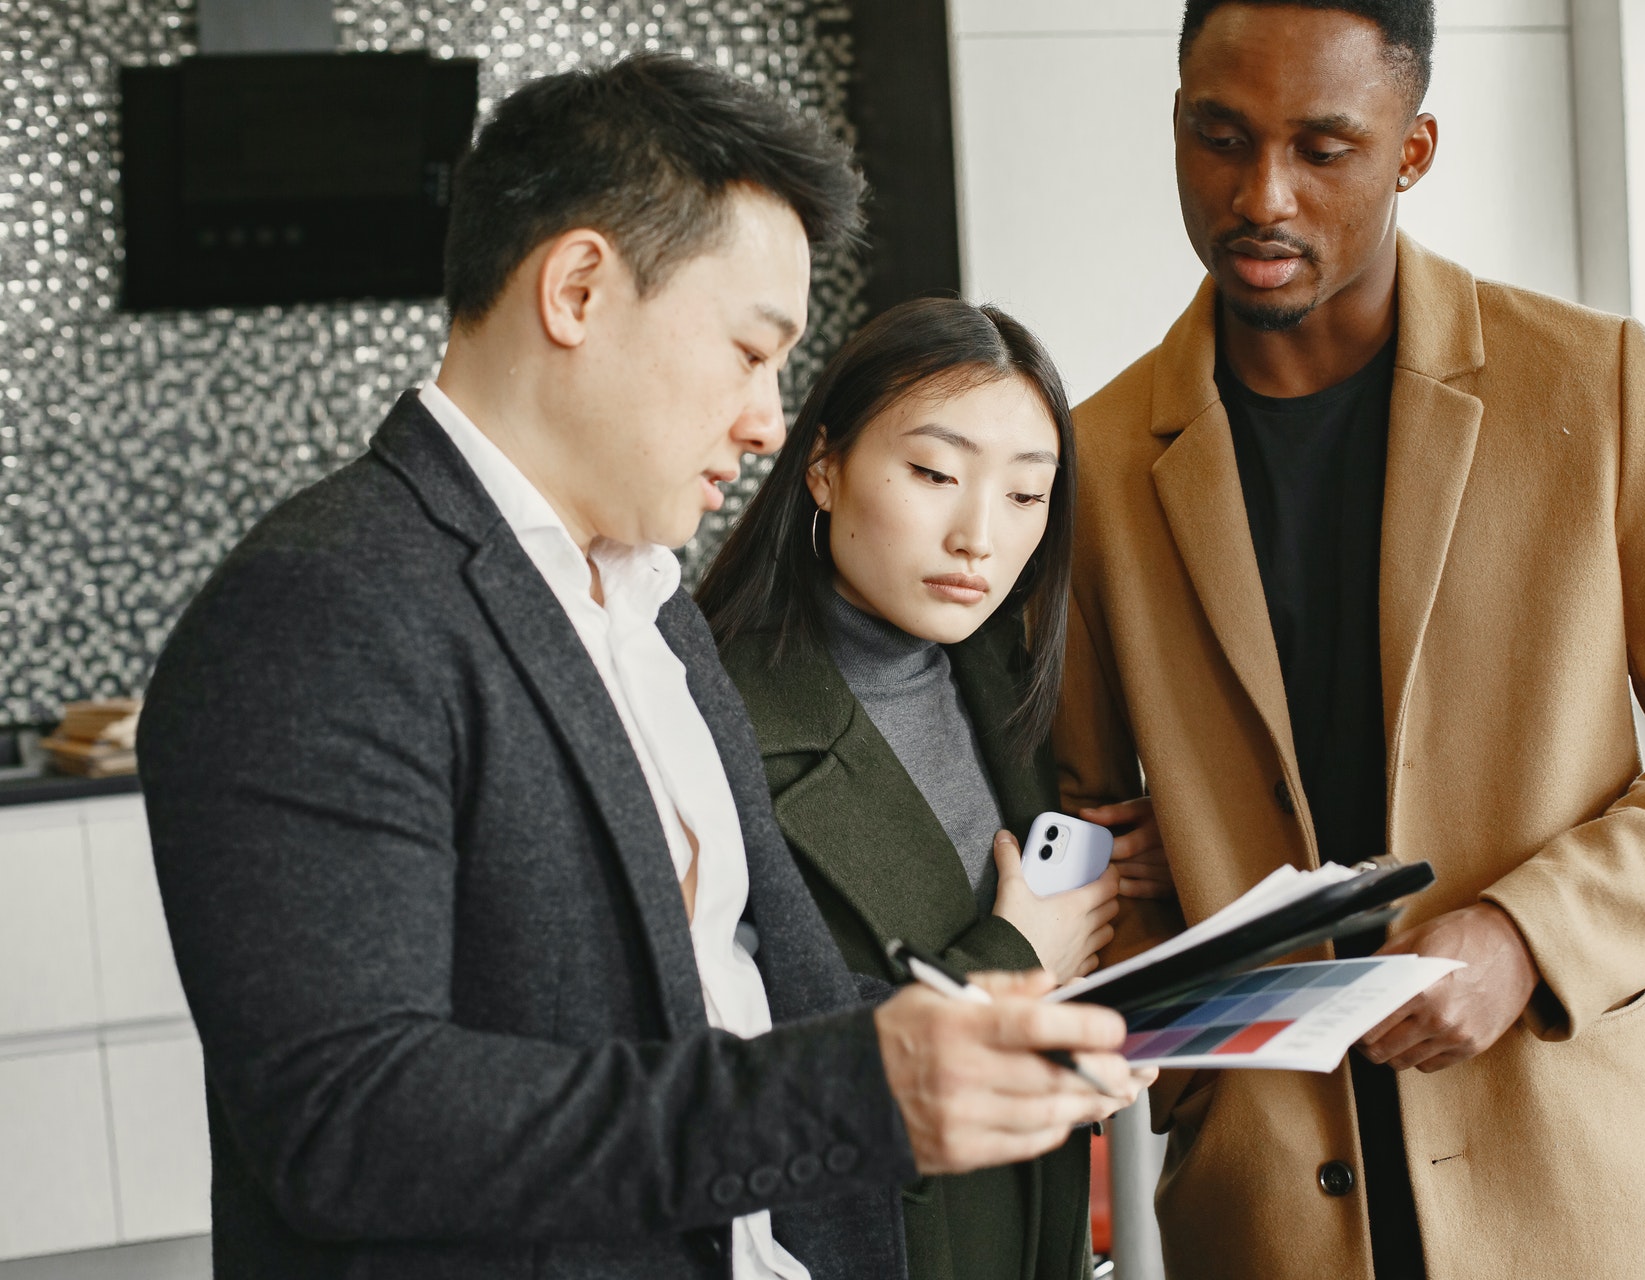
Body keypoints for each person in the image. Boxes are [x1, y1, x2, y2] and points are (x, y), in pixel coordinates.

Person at [137, 54, 1142, 1280]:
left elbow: (772, 996)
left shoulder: (653, 609)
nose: (772, 419)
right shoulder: (325, 606)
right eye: (748, 350)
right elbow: (350, 1118)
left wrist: (1009, 1044)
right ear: (577, 288)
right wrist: (852, 1091)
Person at [1052, 3, 1645, 1278]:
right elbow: (1081, 835)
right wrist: (1126, 911)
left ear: (1412, 152)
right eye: (1220, 137)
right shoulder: (1089, 463)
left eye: (1324, 148)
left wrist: (1531, 933)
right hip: (1264, 1215)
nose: (1263, 195)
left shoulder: (1599, 386)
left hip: (1559, 1181)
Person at [698, 298, 1170, 1280]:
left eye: (1026, 495)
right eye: (934, 474)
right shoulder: (709, 721)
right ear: (822, 465)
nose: (978, 536)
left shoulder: (1015, 675)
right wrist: (1013, 956)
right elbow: (733, 1075)